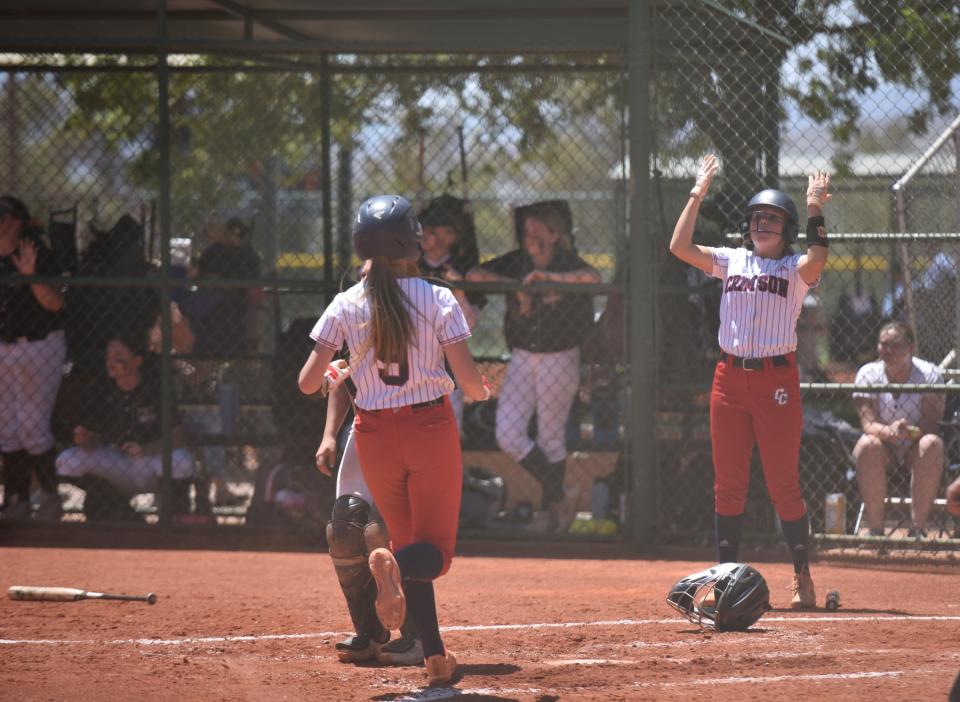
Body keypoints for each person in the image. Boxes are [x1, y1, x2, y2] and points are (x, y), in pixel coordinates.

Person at [299, 195, 489, 686]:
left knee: (408, 540)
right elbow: (468, 384)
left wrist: (338, 368)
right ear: (413, 243)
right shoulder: (438, 297)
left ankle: (435, 657)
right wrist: (483, 389)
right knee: (433, 554)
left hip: (374, 434)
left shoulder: (346, 302)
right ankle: (391, 565)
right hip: (428, 429)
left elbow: (306, 383)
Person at [668, 154, 832, 609]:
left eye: (773, 220)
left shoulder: (795, 269)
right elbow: (679, 246)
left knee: (783, 485)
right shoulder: (732, 260)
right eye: (757, 218)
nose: (763, 225)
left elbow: (819, 257)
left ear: (789, 229)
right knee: (728, 484)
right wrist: (697, 192)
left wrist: (814, 205)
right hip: (727, 379)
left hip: (775, 381)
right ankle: (723, 581)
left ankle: (801, 575)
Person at [466, 200, 599, 531]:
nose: (530, 234)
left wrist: (548, 278)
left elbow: (593, 276)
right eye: (527, 229)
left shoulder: (566, 260)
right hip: (523, 356)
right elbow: (474, 274)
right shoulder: (517, 261)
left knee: (551, 437)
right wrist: (516, 285)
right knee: (508, 433)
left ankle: (551, 512)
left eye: (538, 229)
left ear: (555, 235)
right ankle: (559, 495)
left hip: (560, 356)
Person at [56, 333, 196, 520]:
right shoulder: (102, 388)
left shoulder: (156, 387)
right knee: (67, 461)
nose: (111, 361)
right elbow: (96, 439)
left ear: (137, 361)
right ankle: (122, 510)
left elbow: (177, 436)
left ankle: (171, 519)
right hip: (117, 463)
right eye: (108, 356)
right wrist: (85, 439)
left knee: (181, 461)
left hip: (151, 462)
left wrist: (145, 450)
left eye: (118, 355)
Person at [0, 195, 67, 521]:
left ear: (17, 220)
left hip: (39, 346)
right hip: (4, 347)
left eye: (3, 215)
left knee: (31, 426)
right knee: (6, 429)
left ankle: (52, 498)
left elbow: (55, 304)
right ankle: (16, 500)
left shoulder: (34, 247)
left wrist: (30, 276)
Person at [851, 321, 945, 537]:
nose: (888, 350)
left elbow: (931, 423)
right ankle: (876, 531)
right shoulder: (868, 374)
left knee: (932, 443)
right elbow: (868, 424)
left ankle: (917, 530)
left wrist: (908, 432)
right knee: (867, 444)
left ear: (911, 347)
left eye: (895, 344)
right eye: (883, 344)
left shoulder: (929, 374)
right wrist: (891, 431)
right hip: (885, 447)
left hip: (916, 445)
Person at [418, 195, 484, 428]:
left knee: (449, 425)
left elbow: (469, 324)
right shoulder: (407, 265)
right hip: (411, 354)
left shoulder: (461, 270)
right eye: (429, 228)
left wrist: (460, 291)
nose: (429, 235)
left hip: (447, 357)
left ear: (453, 237)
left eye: (439, 231)